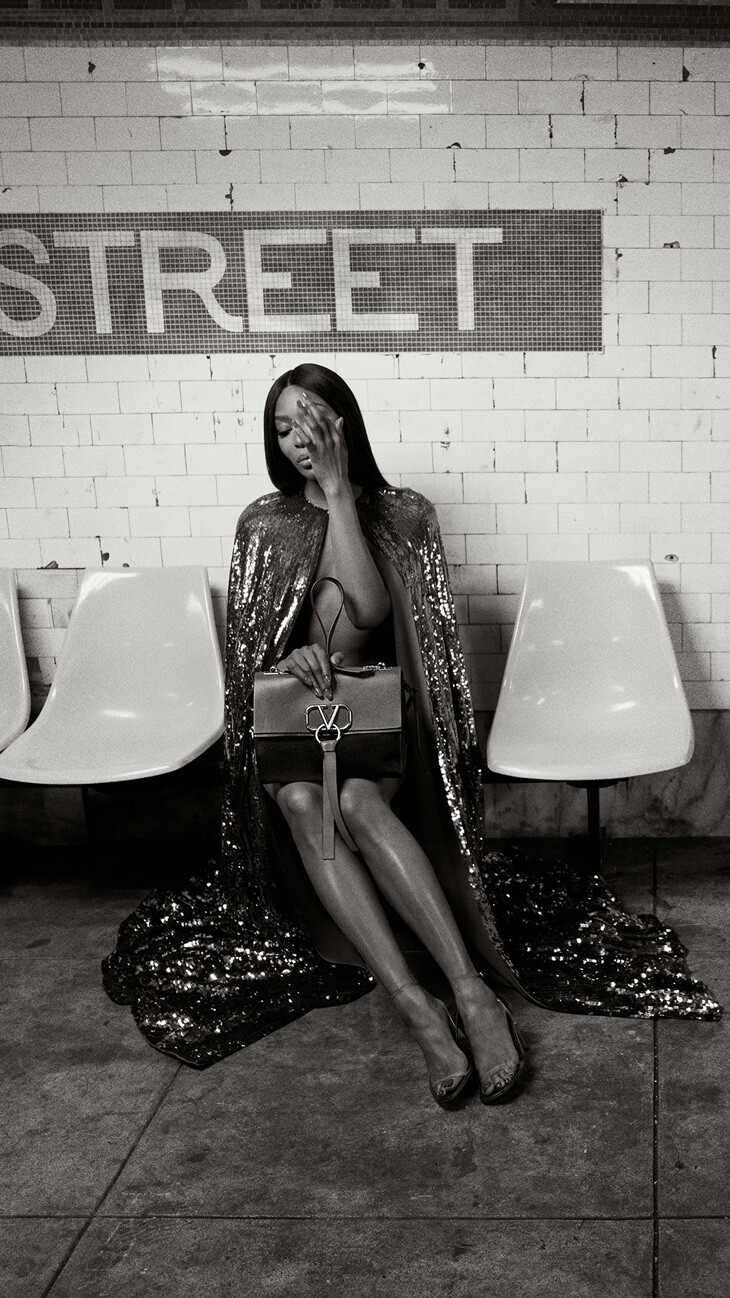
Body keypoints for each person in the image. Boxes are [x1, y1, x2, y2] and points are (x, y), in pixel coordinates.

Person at [103, 362, 720, 1078]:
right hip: (296, 729)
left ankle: (470, 991)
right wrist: (292, 653)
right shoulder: (263, 524)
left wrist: (338, 494)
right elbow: (253, 653)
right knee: (302, 800)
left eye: (311, 422)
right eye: (283, 428)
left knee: (357, 801)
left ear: (343, 425)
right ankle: (414, 1003)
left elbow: (369, 611)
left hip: (379, 728)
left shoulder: (403, 514)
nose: (299, 440)